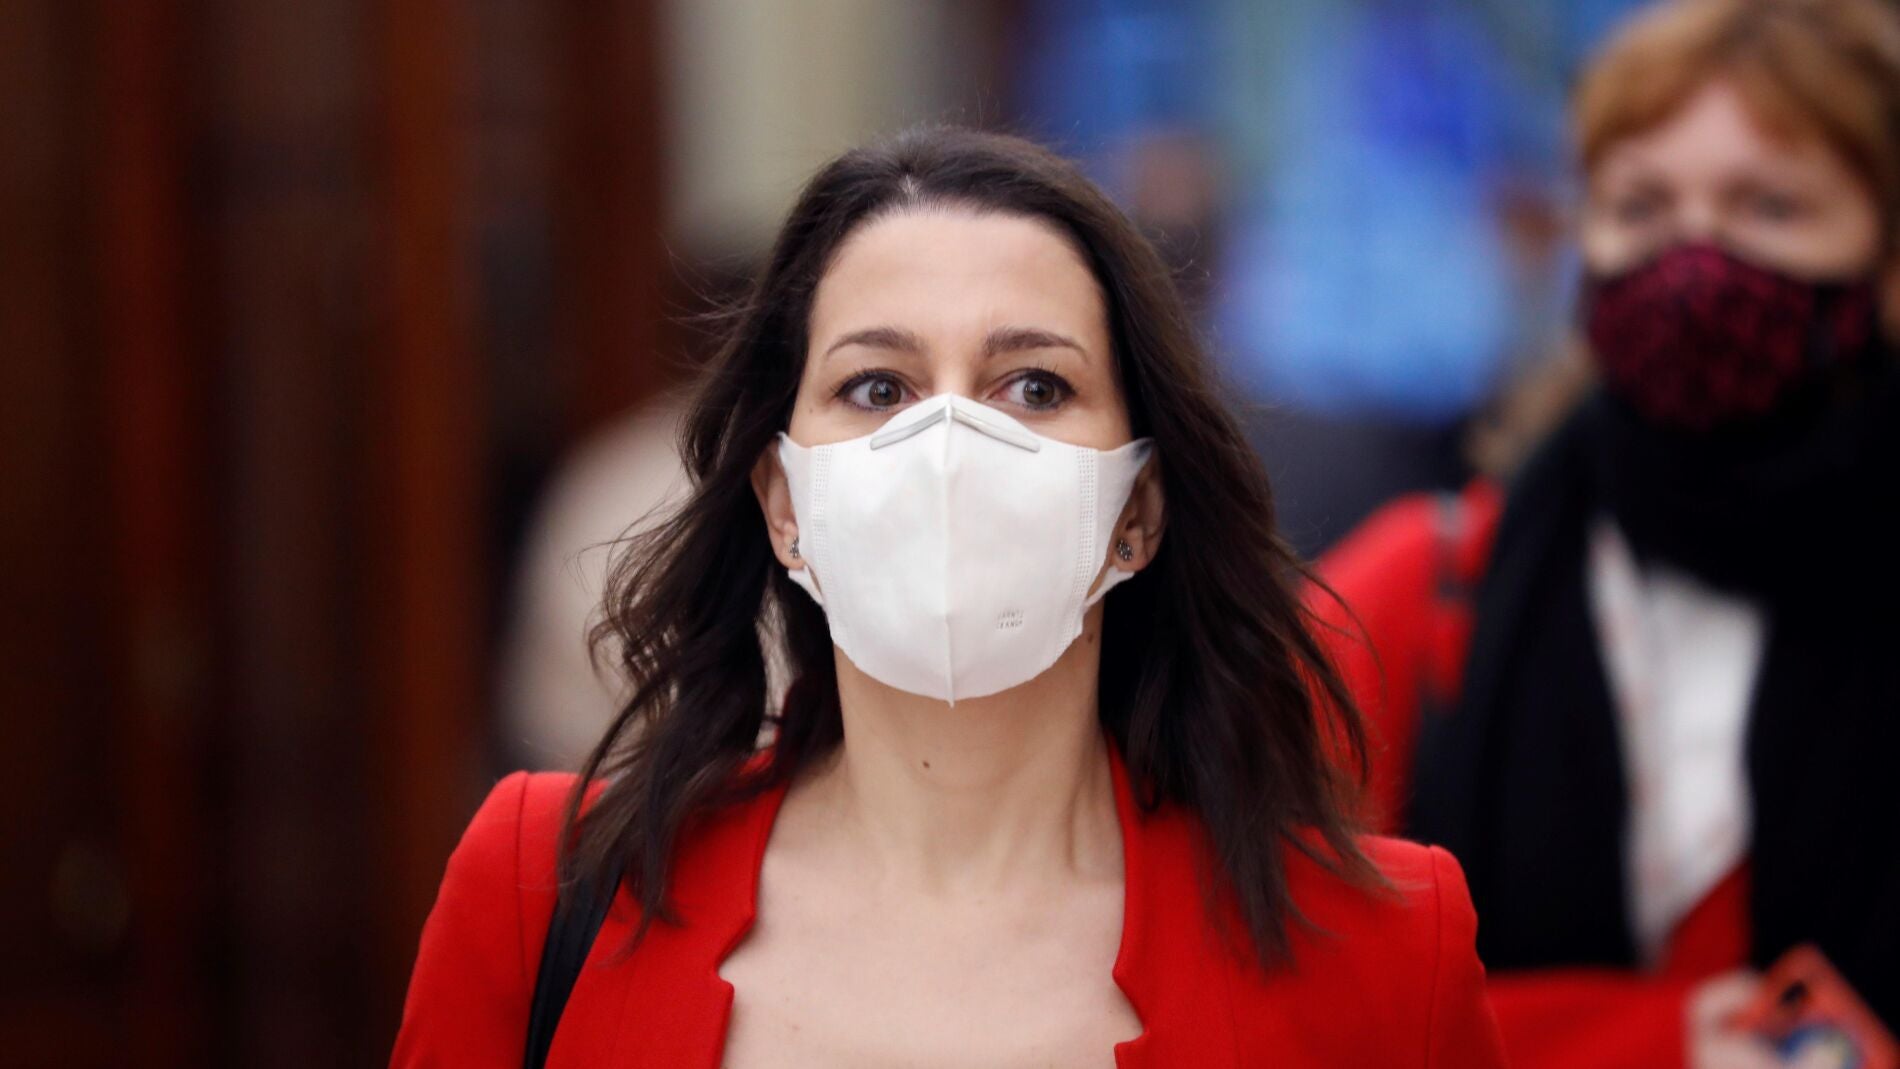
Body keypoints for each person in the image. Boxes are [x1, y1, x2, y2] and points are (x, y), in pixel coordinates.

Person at [391, 127, 1506, 1066]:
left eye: (1036, 385)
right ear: (784, 503)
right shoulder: (542, 891)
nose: (949, 443)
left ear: (1137, 506)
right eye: (878, 385)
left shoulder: (1382, 951)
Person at [1314, 1, 1900, 1065]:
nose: (1695, 261)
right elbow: (1260, 977)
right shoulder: (1425, 585)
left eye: (1769, 206)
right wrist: (1644, 1043)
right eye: (1640, 205)